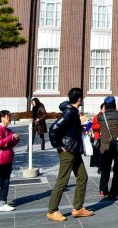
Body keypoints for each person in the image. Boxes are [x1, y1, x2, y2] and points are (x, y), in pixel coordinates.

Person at [47, 87, 94, 222]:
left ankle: (78, 208)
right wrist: (59, 146)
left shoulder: (73, 112)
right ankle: (52, 210)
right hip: (68, 151)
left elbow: (69, 129)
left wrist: (81, 128)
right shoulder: (69, 113)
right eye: (82, 98)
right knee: (62, 181)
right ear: (79, 99)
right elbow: (53, 129)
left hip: (75, 150)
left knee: (83, 177)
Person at [97, 96, 118, 200]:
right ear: (115, 104)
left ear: (104, 105)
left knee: (105, 169)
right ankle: (115, 192)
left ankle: (103, 189)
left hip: (105, 147)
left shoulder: (101, 117)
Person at [90, 104, 103, 173]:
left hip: (106, 138)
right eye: (103, 109)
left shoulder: (108, 117)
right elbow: (92, 126)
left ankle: (103, 165)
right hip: (97, 137)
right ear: (101, 109)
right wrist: (100, 124)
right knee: (98, 153)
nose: (104, 110)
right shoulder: (96, 117)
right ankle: (99, 167)